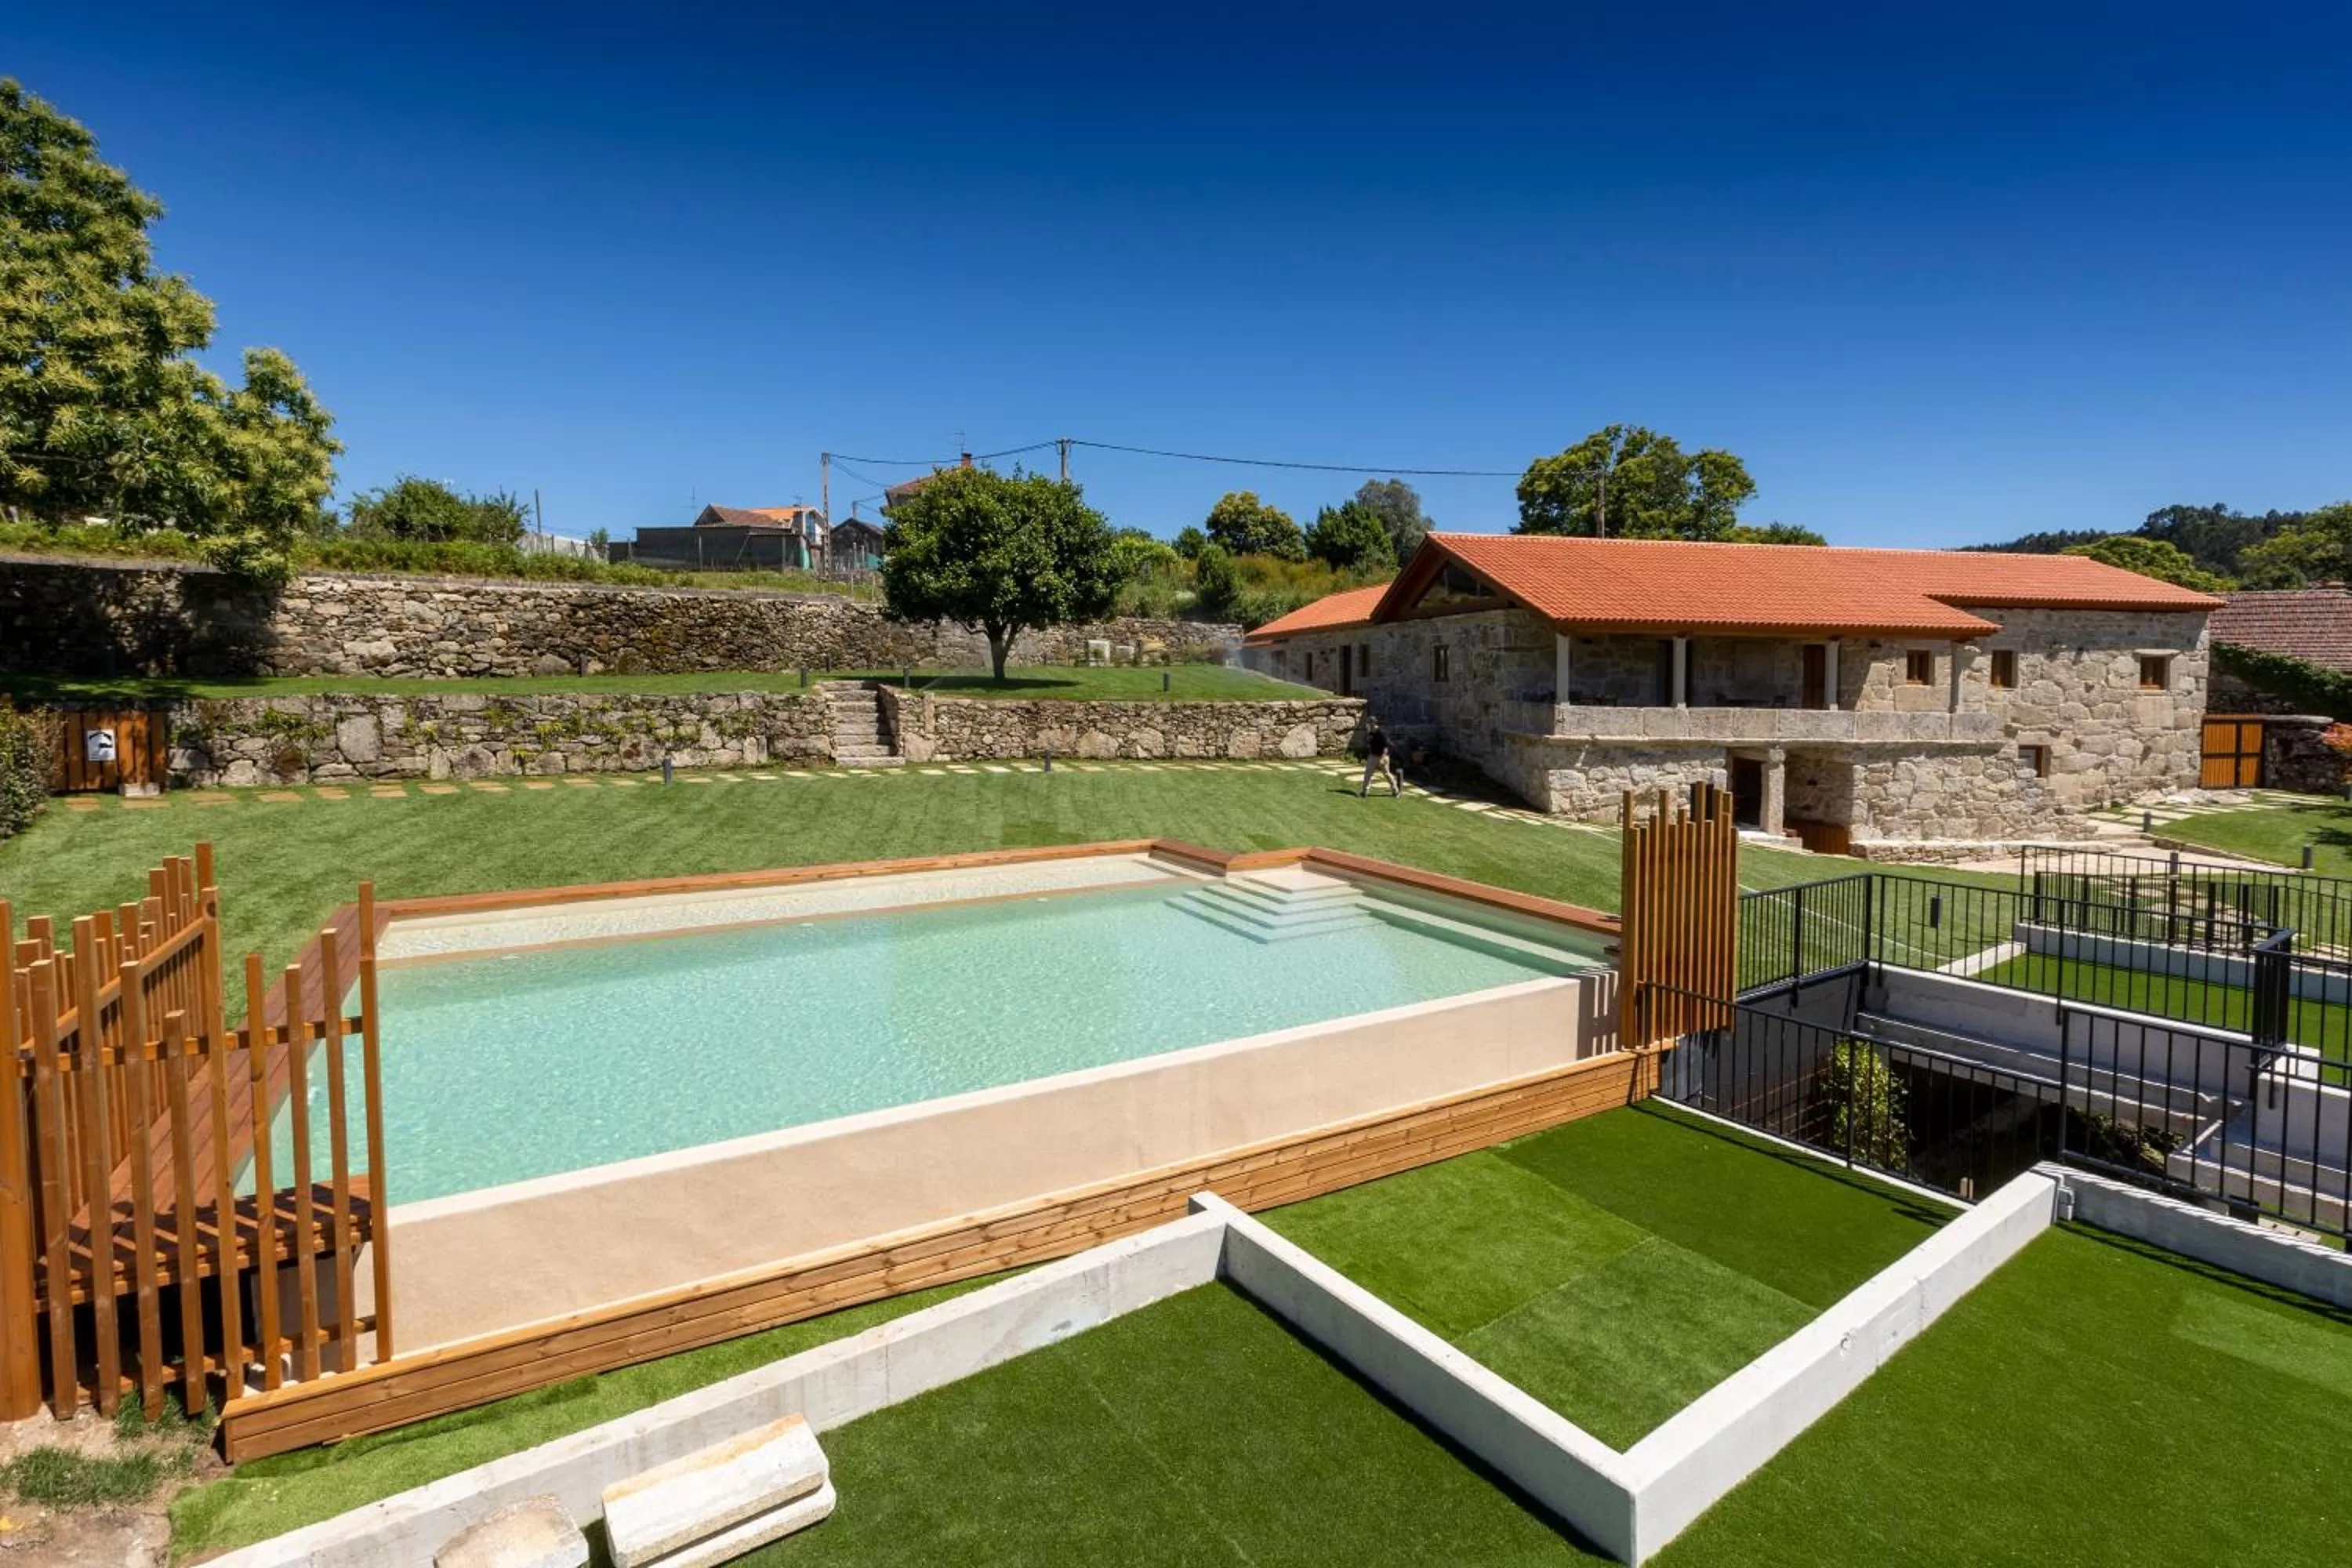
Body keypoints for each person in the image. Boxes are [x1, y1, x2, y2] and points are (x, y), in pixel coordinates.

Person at [1359, 720, 1403, 797]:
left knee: (1386, 774)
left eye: (1369, 723)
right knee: (1368, 773)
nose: (1368, 725)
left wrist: (1382, 759)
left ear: (1373, 724)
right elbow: (1368, 743)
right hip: (1373, 756)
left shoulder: (1381, 733)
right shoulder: (1371, 732)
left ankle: (1396, 791)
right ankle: (1365, 791)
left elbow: (1385, 748)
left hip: (1382, 756)